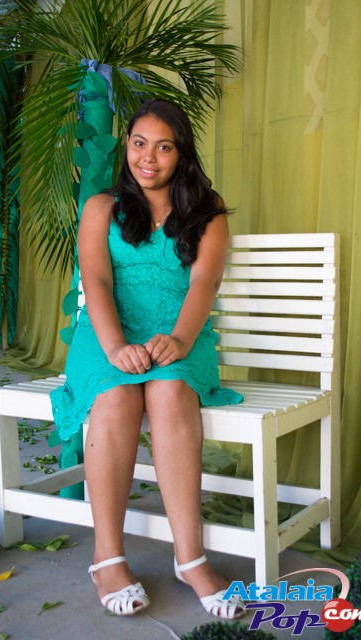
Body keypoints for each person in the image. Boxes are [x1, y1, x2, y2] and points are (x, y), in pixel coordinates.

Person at [51, 99, 245, 618]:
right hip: (107, 332)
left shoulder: (207, 210)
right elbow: (96, 280)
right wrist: (116, 347)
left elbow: (204, 282)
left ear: (182, 154)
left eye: (163, 147)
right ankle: (107, 558)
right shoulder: (101, 208)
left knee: (170, 389)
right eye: (139, 144)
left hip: (180, 332)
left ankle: (191, 557)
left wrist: (179, 339)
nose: (148, 158)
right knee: (116, 395)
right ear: (127, 146)